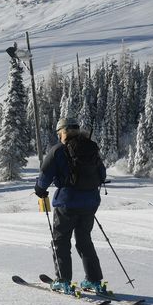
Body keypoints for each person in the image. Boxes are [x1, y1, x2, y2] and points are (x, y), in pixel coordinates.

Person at [34, 117, 107, 294]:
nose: (59, 136)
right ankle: (94, 281)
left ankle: (63, 280)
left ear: (63, 132)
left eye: (59, 133)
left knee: (61, 240)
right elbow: (102, 174)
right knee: (84, 241)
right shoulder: (90, 147)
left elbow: (45, 174)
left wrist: (40, 189)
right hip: (90, 203)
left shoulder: (59, 150)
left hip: (67, 203)